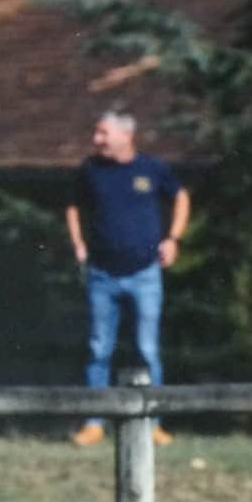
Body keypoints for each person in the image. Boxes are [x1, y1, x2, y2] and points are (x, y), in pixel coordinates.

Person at [65, 109, 190, 447]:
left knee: (147, 350)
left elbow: (180, 196)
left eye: (103, 133)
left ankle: (152, 423)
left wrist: (173, 238)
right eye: (97, 133)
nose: (96, 140)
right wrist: (77, 242)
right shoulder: (90, 171)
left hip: (145, 274)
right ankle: (94, 422)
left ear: (126, 136)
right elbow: (73, 206)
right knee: (98, 348)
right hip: (102, 275)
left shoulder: (152, 169)